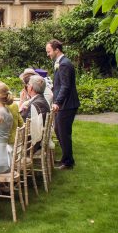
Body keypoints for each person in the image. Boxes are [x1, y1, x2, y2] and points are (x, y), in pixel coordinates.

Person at [47, 39, 79, 170]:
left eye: (49, 51)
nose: (48, 54)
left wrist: (57, 102)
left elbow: (65, 86)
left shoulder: (64, 64)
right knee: (58, 130)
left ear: (56, 50)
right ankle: (66, 157)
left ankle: (68, 162)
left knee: (63, 132)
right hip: (65, 104)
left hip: (67, 104)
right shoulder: (59, 62)